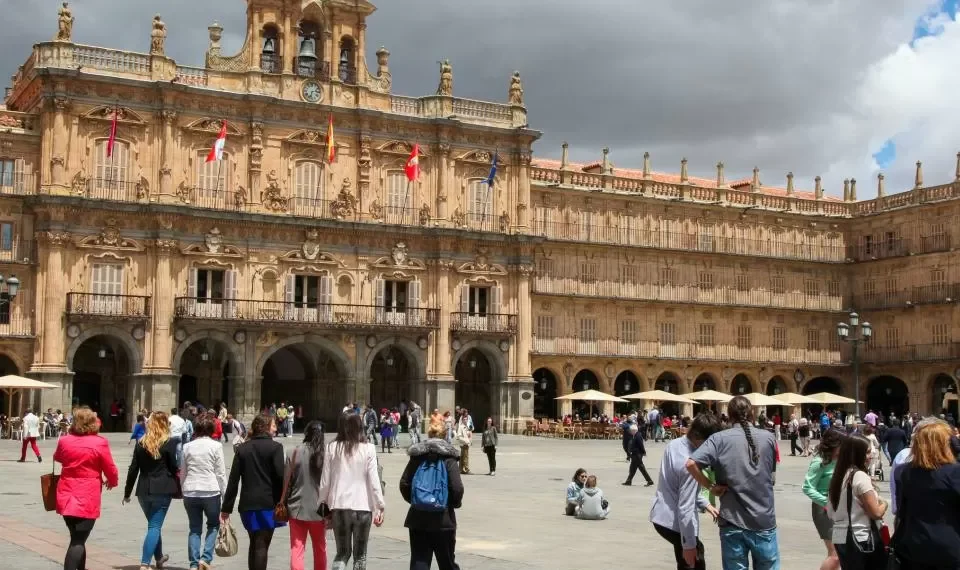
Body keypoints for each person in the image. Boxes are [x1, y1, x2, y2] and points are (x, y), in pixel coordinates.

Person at [686, 395, 779, 569]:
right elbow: (772, 478)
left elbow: (691, 464)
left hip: (732, 520)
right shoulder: (769, 438)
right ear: (752, 413)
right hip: (763, 520)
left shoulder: (719, 439)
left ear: (729, 415)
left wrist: (711, 487)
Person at [649, 413, 723, 570]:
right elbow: (685, 507)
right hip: (675, 521)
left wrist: (705, 504)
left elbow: (677, 487)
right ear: (699, 438)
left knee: (689, 556)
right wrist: (689, 544)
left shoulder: (674, 444)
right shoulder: (689, 462)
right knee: (694, 559)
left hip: (661, 515)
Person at [54, 407, 119, 570]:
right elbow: (110, 467)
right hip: (87, 495)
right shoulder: (99, 442)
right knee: (78, 540)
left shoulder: (64, 440)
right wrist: (112, 481)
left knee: (76, 537)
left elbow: (58, 457)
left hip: (66, 493)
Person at [319, 412, 386, 570]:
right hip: (362, 507)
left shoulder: (331, 448)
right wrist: (380, 505)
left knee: (342, 553)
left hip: (339, 507)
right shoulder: (368, 448)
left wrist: (322, 503)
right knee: (360, 556)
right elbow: (374, 480)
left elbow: (325, 481)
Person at [892, 419, 960, 569]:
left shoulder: (902, 471)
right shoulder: (954, 473)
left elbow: (901, 509)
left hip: (913, 544)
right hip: (949, 547)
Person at [221, 414, 285, 570]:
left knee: (255, 543)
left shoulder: (243, 449)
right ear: (265, 427)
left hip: (247, 505)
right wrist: (283, 502)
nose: (276, 428)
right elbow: (280, 477)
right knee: (262, 545)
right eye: (273, 425)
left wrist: (226, 508)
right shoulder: (275, 447)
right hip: (268, 504)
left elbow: (233, 480)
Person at [399, 423, 465, 570]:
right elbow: (457, 488)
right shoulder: (449, 458)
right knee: (447, 562)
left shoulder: (417, 456)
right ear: (444, 436)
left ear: (429, 435)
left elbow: (404, 484)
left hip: (417, 518)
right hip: (443, 519)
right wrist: (452, 504)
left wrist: (418, 500)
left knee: (419, 561)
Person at [124, 411, 179, 570]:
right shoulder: (169, 442)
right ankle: (144, 564)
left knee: (154, 525)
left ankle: (159, 558)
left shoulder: (140, 442)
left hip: (143, 489)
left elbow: (133, 469)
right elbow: (173, 467)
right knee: (154, 527)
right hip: (162, 488)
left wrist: (127, 492)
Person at [828, 434, 888, 569]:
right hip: (861, 537)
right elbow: (876, 513)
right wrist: (884, 504)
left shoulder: (838, 475)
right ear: (856, 454)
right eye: (867, 452)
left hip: (840, 535)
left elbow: (830, 512)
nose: (871, 455)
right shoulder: (859, 476)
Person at [180, 412, 226, 570]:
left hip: (191, 491)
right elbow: (220, 473)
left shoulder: (187, 447)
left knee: (194, 528)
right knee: (213, 525)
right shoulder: (216, 446)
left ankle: (193, 564)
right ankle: (205, 559)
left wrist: (183, 489)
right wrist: (225, 495)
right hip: (210, 491)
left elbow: (183, 472)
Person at [286, 420, 328, 570]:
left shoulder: (294, 452)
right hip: (319, 509)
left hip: (296, 508)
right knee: (320, 547)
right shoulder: (326, 454)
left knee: (297, 548)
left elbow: (287, 482)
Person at [802, 428, 845, 570]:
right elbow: (807, 488)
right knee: (835, 554)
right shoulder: (819, 461)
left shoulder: (840, 459)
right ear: (833, 444)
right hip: (824, 510)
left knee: (840, 552)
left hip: (840, 510)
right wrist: (826, 503)